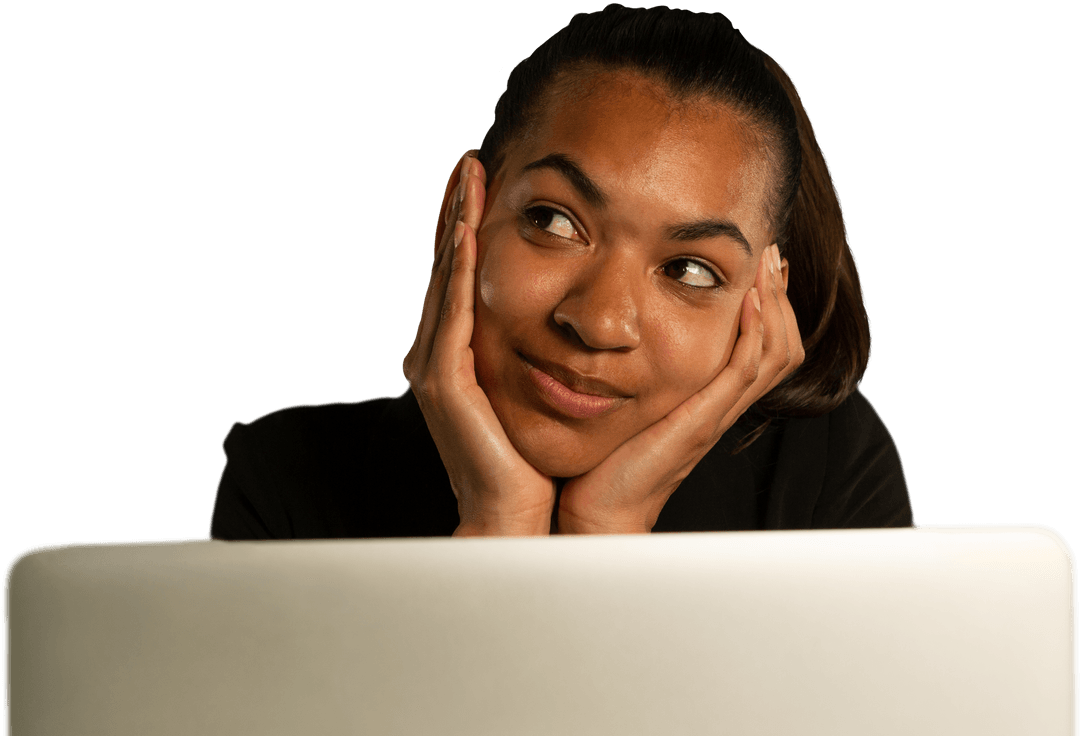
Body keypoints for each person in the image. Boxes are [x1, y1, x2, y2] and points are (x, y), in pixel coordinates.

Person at [209, 4, 914, 540]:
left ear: (761, 302)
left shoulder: (824, 474)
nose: (600, 321)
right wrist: (498, 525)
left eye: (689, 269)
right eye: (554, 221)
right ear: (464, 215)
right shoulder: (285, 482)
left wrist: (605, 537)